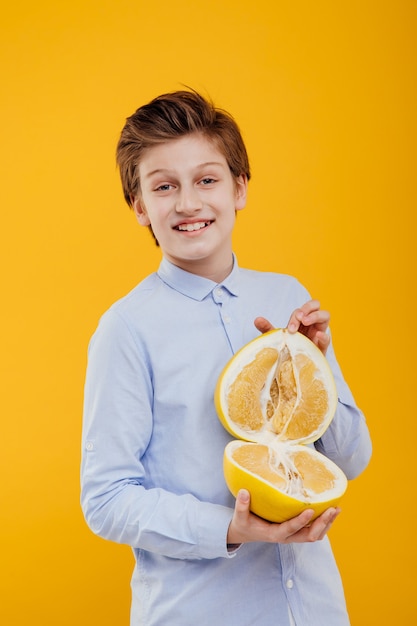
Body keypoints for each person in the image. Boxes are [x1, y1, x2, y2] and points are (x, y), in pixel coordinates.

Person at [80, 89, 372, 626]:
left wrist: (317, 370)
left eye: (207, 179)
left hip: (314, 608)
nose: (188, 203)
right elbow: (106, 498)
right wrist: (231, 528)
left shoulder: (286, 296)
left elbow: (348, 463)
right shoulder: (126, 328)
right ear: (140, 206)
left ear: (239, 189)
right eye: (164, 187)